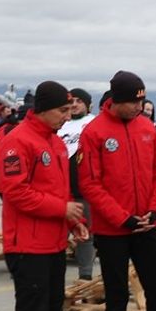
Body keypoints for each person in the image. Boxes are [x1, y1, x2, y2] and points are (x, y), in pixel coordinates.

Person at [0, 81, 87, 311]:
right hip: (26, 245)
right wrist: (62, 209)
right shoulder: (17, 141)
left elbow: (62, 192)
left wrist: (73, 221)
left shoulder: (56, 143)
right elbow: (15, 192)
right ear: (44, 109)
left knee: (52, 309)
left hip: (53, 242)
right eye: (62, 111)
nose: (66, 116)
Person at [77, 71, 156, 311]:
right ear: (117, 100)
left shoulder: (147, 128)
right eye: (133, 101)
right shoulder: (94, 133)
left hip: (146, 226)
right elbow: (90, 184)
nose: (139, 107)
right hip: (113, 231)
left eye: (142, 100)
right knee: (116, 296)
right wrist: (123, 218)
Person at [60, 88, 97, 280]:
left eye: (79, 101)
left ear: (87, 104)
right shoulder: (61, 124)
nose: (75, 104)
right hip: (60, 191)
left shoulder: (93, 123)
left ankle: (85, 275)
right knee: (58, 235)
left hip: (84, 191)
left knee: (85, 234)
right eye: (71, 101)